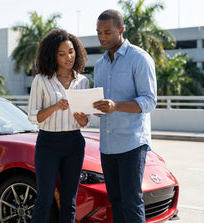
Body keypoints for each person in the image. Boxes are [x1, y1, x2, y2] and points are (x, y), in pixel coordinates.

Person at [92, 9, 157, 223]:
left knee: (131, 201)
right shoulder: (100, 65)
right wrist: (92, 108)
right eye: (99, 33)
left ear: (121, 30)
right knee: (115, 201)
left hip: (131, 143)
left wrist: (116, 105)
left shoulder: (139, 58)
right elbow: (101, 104)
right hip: (107, 145)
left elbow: (149, 101)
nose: (102, 37)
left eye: (107, 32)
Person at [28, 29, 89, 223]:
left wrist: (82, 119)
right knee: (44, 198)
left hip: (74, 143)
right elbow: (32, 117)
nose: (68, 57)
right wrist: (54, 107)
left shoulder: (83, 81)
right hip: (48, 144)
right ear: (52, 56)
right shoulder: (41, 80)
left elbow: (86, 121)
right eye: (62, 54)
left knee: (69, 200)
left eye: (71, 51)